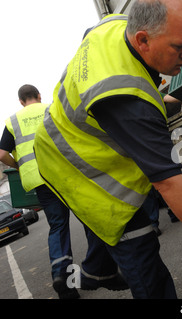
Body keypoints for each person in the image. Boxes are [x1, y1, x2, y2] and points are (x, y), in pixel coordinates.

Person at [33, 0, 182, 299]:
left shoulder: (112, 24)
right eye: (180, 46)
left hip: (67, 141)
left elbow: (115, 69)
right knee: (137, 242)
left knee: (115, 226)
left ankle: (96, 269)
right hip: (74, 166)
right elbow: (167, 181)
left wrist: (163, 97)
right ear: (142, 40)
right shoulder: (128, 105)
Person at [0, 85, 127, 299]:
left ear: (21, 101)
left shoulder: (12, 121)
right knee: (89, 218)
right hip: (64, 173)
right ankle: (99, 267)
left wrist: (20, 166)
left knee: (58, 226)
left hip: (39, 179)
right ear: (39, 96)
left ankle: (62, 277)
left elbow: (2, 154)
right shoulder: (51, 109)